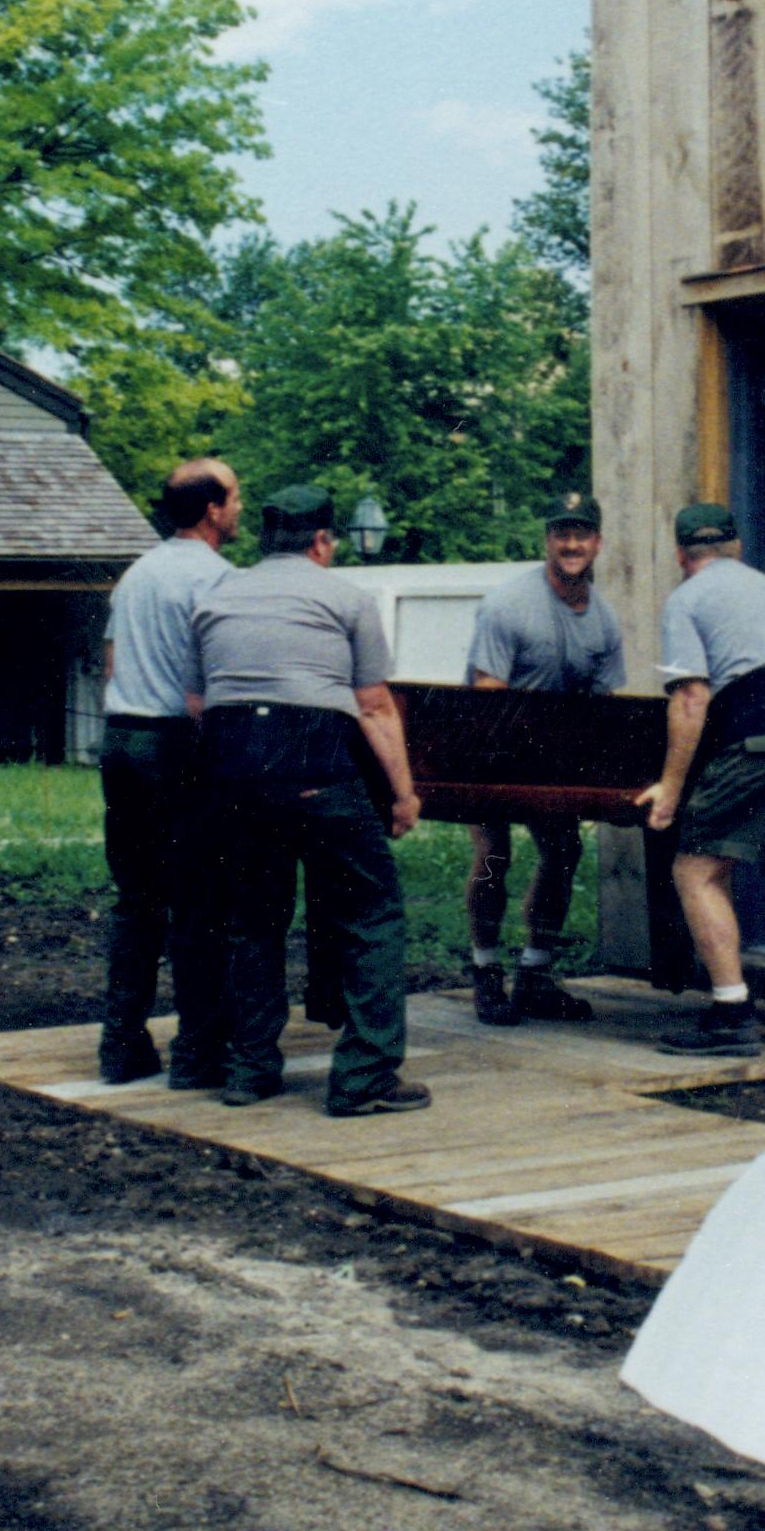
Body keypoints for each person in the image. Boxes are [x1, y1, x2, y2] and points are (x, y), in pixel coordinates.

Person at [192, 483, 431, 1117]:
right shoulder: (346, 597)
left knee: (250, 920)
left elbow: (198, 702)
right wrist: (403, 796)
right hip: (315, 762)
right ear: (322, 543)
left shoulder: (214, 597)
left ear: (266, 542)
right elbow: (375, 706)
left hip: (233, 767)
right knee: (372, 915)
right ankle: (365, 1078)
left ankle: (248, 1069)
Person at [634, 502, 765, 1056]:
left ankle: (731, 1013)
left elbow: (691, 698)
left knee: (696, 868)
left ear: (682, 555)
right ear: (737, 549)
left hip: (760, 738)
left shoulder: (687, 599)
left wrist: (670, 788)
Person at [95, 456, 237, 1086]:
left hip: (121, 738)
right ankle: (197, 1054)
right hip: (177, 746)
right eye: (233, 498)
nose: (238, 508)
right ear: (211, 510)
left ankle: (121, 1045)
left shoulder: (135, 576)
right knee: (198, 900)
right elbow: (205, 691)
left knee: (136, 899)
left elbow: (109, 664)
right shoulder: (218, 581)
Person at [461, 490, 627, 1026]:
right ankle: (486, 972)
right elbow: (487, 694)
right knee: (494, 854)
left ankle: (535, 974)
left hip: (553, 755)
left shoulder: (603, 619)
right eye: (562, 534)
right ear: (547, 541)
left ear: (597, 543)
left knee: (563, 851)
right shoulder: (508, 603)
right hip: (492, 746)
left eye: (582, 534)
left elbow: (606, 708)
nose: (571, 543)